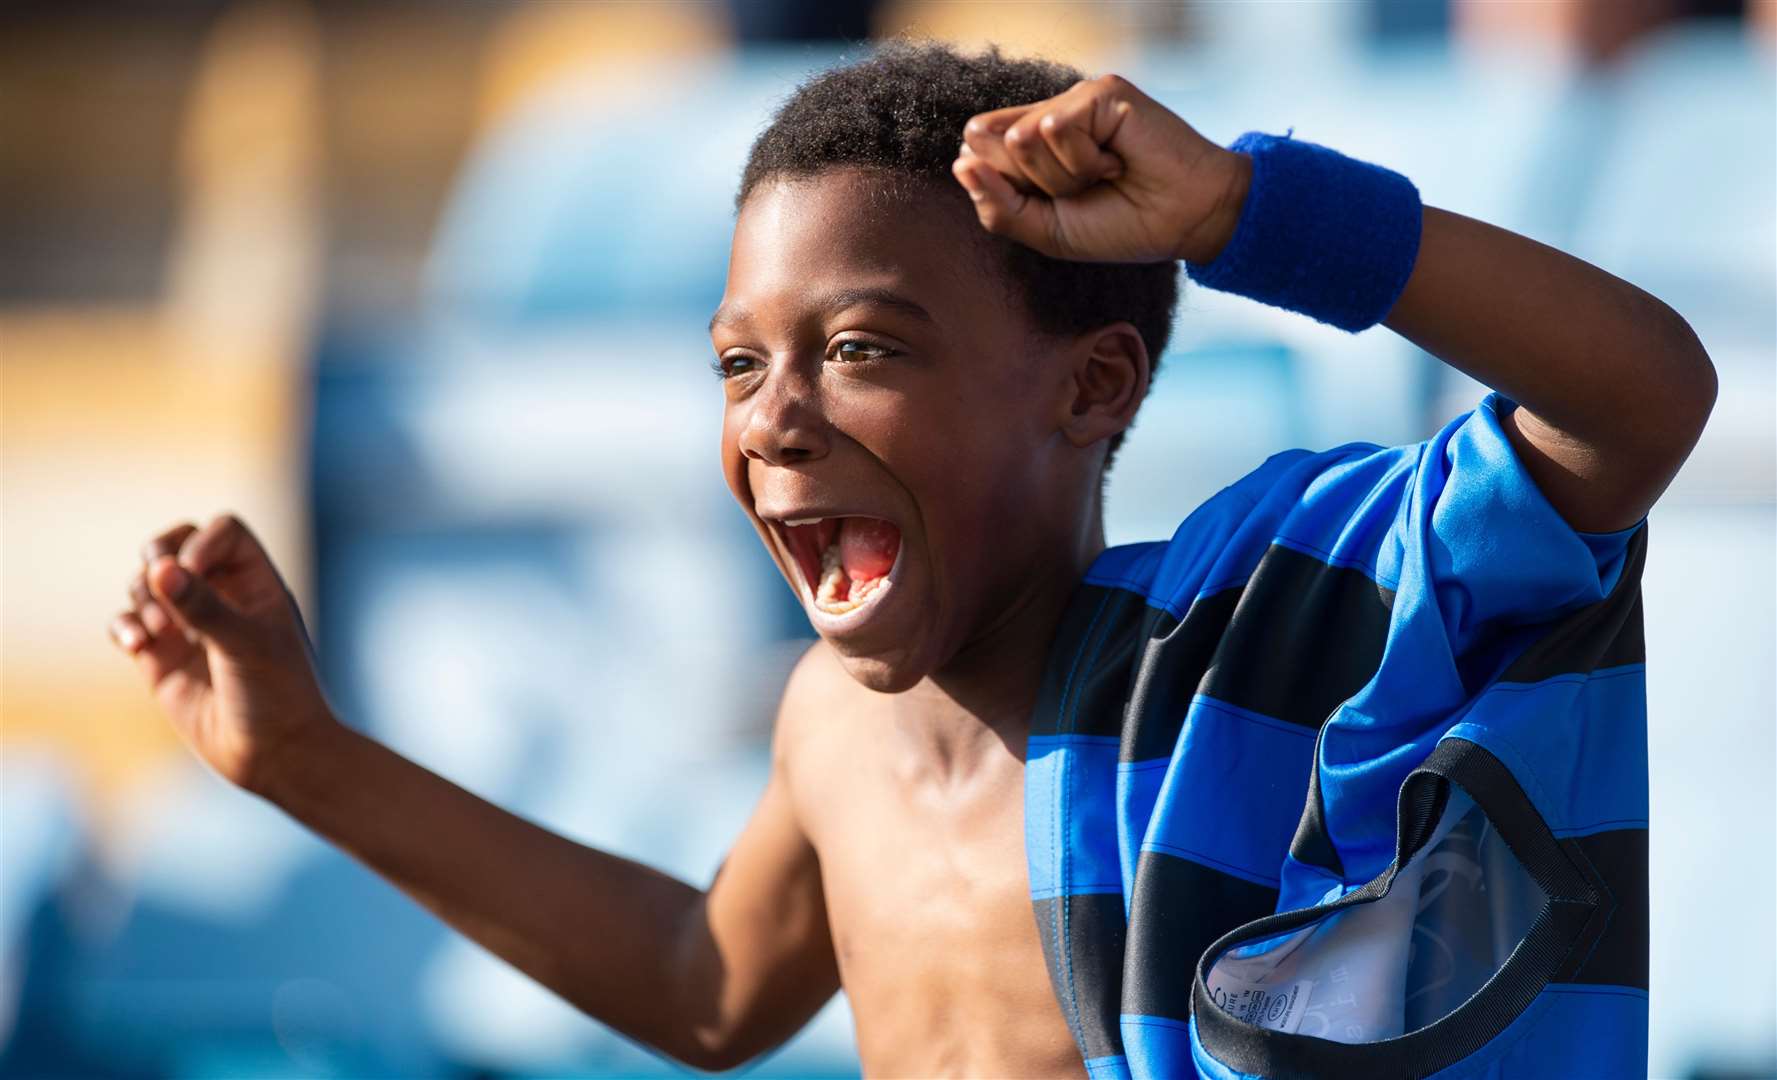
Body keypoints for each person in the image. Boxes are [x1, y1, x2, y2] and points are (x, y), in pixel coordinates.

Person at [108, 43, 1713, 1078]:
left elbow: (1636, 397)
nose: (778, 419)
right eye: (738, 367)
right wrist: (300, 755)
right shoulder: (835, 724)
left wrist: (1241, 208)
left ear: (1091, 389)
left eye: (861, 347)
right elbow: (701, 987)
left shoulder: (1274, 651)